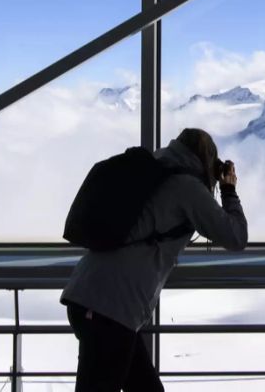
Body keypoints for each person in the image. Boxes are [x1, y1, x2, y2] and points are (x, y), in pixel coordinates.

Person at [61, 127, 248, 392]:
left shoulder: (155, 169)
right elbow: (235, 236)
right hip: (110, 308)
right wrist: (228, 191)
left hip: (98, 300)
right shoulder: (186, 187)